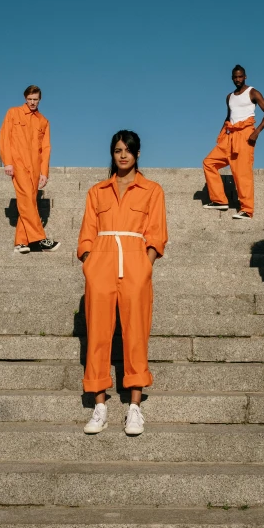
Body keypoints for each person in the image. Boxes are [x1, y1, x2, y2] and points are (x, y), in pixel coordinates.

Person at [78, 130, 167, 436]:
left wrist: (146, 263)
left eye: (128, 150)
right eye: (117, 150)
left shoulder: (152, 190)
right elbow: (87, 232)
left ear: (137, 154)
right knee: (98, 334)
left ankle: (134, 408)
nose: (123, 155)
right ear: (112, 154)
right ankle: (99, 406)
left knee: (135, 333)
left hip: (135, 266)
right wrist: (90, 261)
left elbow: (157, 232)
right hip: (100, 265)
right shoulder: (97, 191)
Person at [202, 64, 264, 219]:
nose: (238, 79)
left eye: (240, 76)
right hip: (230, 135)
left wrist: (257, 132)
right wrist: (221, 134)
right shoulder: (230, 97)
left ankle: (247, 209)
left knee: (242, 173)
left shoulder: (252, 92)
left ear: (245, 77)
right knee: (209, 162)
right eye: (235, 77)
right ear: (232, 78)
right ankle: (219, 200)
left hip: (246, 134)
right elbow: (229, 116)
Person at [0, 85, 60, 254]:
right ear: (25, 98)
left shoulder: (44, 121)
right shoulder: (13, 113)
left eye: (36, 99)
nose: (32, 102)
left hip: (34, 168)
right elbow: (5, 137)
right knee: (26, 199)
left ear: (40, 100)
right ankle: (41, 239)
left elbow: (46, 148)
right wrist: (7, 162)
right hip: (18, 164)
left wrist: (44, 172)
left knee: (28, 203)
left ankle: (21, 243)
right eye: (30, 99)